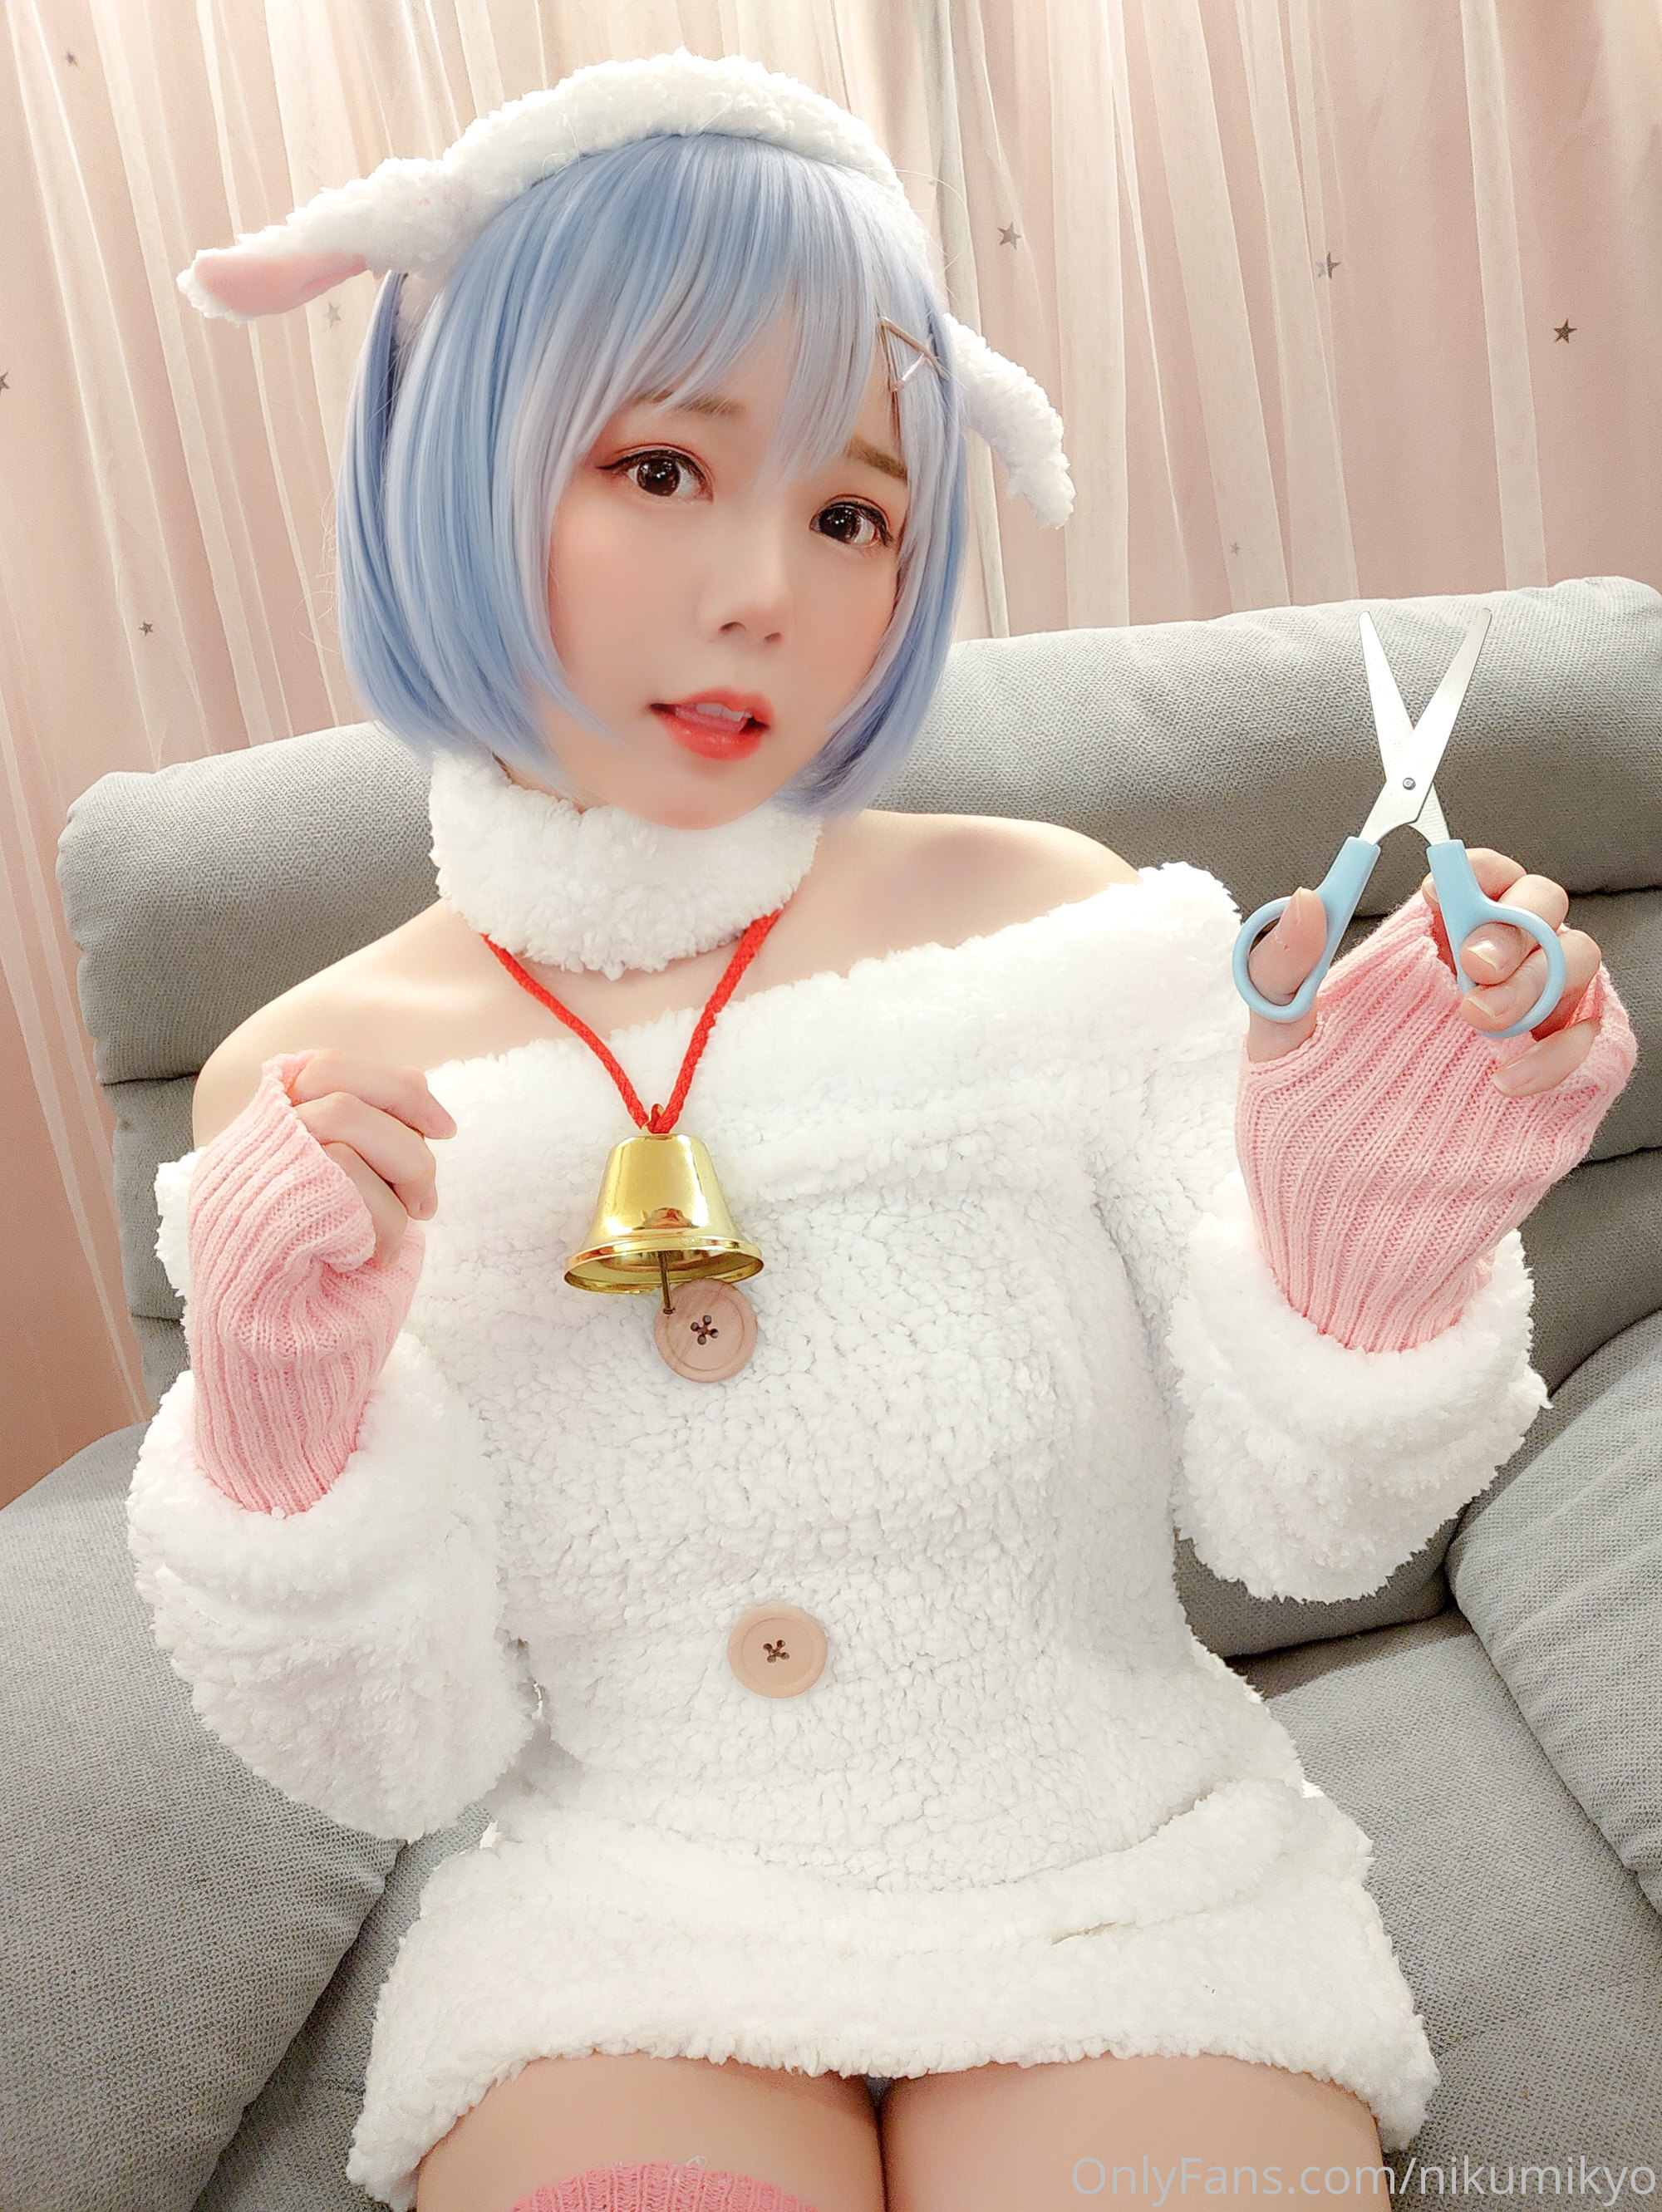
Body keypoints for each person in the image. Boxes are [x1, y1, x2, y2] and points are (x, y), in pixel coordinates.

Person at [131, 51, 1636, 2212]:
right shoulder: (305, 1079)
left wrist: (1365, 1248)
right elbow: (392, 1754)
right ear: (450, 465)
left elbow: (1306, 1530)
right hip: (629, 1925)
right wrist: (279, 1437)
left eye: (852, 513)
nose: (769, 586)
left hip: (1117, 1879)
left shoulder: (1058, 934)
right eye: (662, 466)